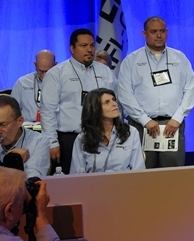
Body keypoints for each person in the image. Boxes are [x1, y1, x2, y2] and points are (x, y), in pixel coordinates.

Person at [117, 16, 194, 168]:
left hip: (172, 125)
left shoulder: (179, 58)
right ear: (144, 34)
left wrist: (178, 118)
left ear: (167, 32)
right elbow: (125, 94)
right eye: (153, 32)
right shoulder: (132, 61)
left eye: (162, 31)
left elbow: (190, 89)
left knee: (173, 174)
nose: (159, 35)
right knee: (144, 173)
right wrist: (145, 120)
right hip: (141, 126)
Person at [40, 29, 116, 174]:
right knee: (72, 182)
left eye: (92, 45)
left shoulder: (105, 71)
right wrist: (52, 142)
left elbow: (115, 104)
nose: (89, 49)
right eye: (83, 45)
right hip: (69, 139)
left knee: (102, 180)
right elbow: (48, 110)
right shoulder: (57, 74)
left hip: (101, 136)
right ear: (72, 48)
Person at [70, 88, 144, 173]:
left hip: (124, 181)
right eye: (107, 102)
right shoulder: (82, 138)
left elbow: (139, 171)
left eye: (114, 100)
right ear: (95, 108)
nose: (114, 104)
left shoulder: (131, 133)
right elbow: (76, 175)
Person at [0, 96, 50, 177]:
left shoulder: (39, 142)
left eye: (2, 124)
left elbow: (32, 178)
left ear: (19, 121)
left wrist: (14, 160)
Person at [11, 50, 56, 125]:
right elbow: (12, 111)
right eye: (41, 71)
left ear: (55, 65)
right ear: (35, 65)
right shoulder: (22, 83)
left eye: (48, 71)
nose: (44, 75)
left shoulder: (64, 83)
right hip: (27, 127)